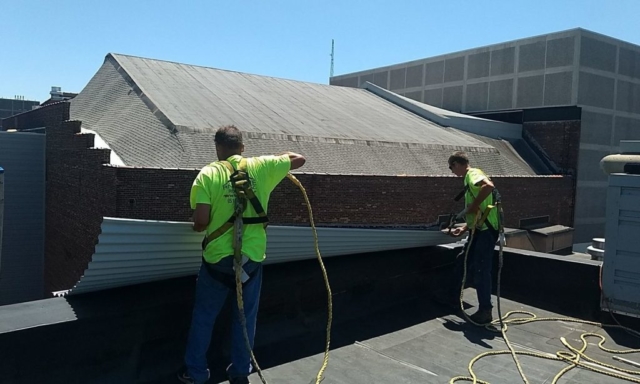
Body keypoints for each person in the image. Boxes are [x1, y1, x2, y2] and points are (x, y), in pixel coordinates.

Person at [179, 125, 306, 384]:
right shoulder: (261, 166)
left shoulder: (208, 174)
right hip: (251, 262)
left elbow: (201, 221)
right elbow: (298, 159)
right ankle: (239, 372)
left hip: (217, 263)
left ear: (218, 148)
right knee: (245, 320)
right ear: (242, 148)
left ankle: (197, 374)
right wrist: (273, 160)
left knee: (204, 319)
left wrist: (198, 223)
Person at [442, 151, 499, 324]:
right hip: (478, 229)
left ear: (458, 163)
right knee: (463, 262)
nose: (452, 172)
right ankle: (452, 298)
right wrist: (465, 227)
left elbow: (488, 186)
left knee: (481, 269)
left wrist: (473, 206)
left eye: (452, 167)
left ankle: (485, 311)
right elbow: (480, 210)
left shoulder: (472, 173)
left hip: (486, 231)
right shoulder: (468, 180)